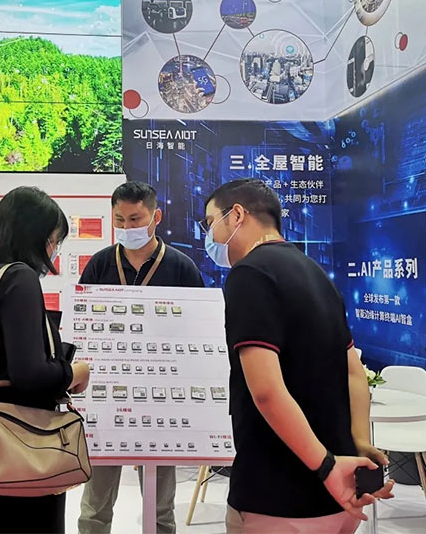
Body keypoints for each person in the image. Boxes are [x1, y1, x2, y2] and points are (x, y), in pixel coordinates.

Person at [201, 179, 394, 534]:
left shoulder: (249, 274)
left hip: (279, 498)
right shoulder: (317, 274)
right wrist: (358, 442)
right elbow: (354, 372)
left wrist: (326, 467)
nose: (209, 236)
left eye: (211, 222)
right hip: (340, 498)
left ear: (237, 215)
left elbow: (266, 391)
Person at [0, 186, 91, 534]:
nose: (54, 250)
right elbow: (29, 374)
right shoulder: (20, 278)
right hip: (20, 466)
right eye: (55, 240)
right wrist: (73, 372)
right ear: (38, 237)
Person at [78, 181, 204, 534]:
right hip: (106, 395)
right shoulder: (100, 264)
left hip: (162, 397)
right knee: (94, 506)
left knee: (161, 508)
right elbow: (82, 324)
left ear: (155, 217)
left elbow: (199, 330)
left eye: (135, 219)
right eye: (119, 220)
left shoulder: (181, 267)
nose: (127, 227)